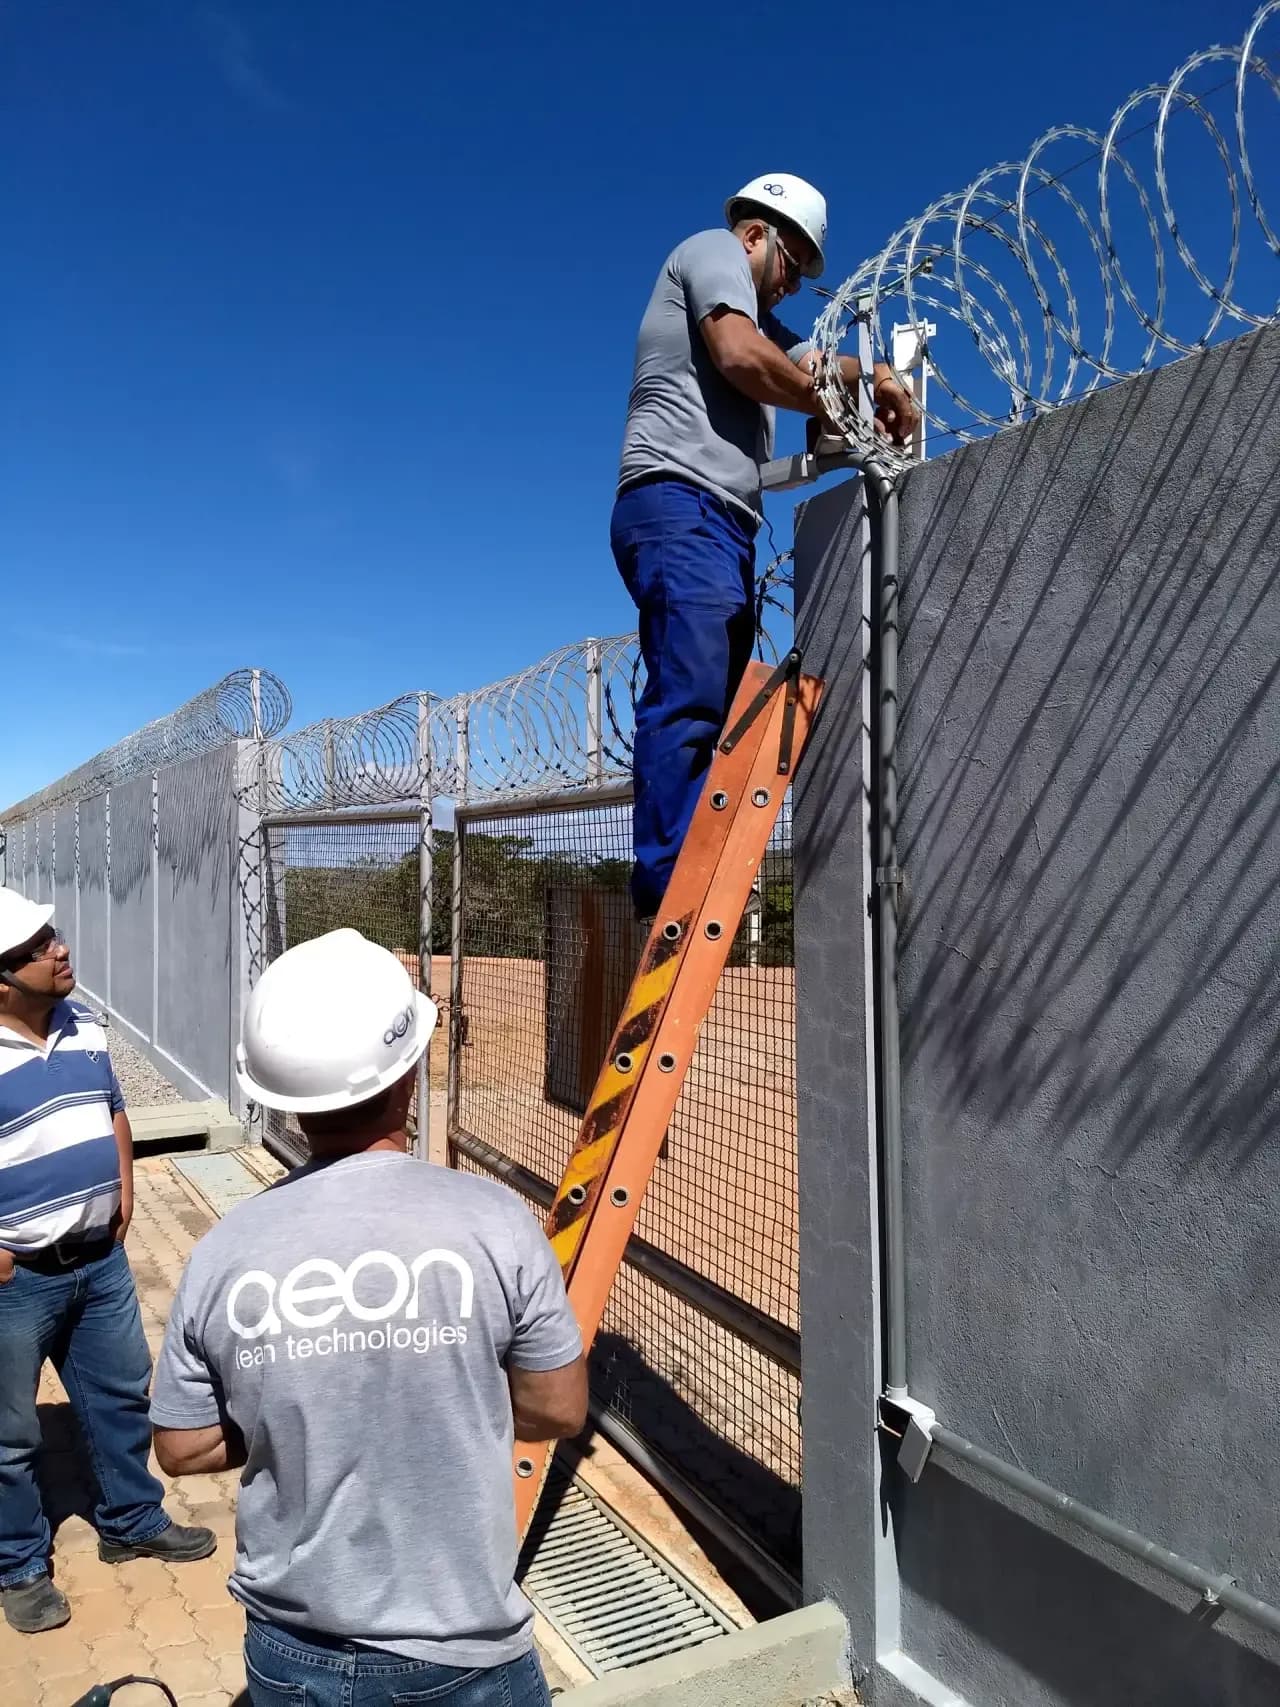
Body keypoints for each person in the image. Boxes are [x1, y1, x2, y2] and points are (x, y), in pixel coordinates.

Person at [149, 927, 588, 1707]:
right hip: (464, 1652)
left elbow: (180, 1449)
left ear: (278, 1094)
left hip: (290, 1652)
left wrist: (303, 1403)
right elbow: (557, 1405)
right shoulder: (495, 1221)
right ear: (408, 1072)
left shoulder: (224, 1251)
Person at [611, 173, 920, 921]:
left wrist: (873, 374)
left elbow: (808, 361)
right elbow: (744, 357)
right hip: (678, 501)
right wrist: (837, 400)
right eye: (790, 266)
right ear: (757, 236)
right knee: (690, 692)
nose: (787, 287)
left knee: (715, 699)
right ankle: (669, 884)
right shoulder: (714, 250)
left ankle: (693, 862)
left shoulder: (754, 300)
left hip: (720, 522)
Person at [0, 885, 215, 1636]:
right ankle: (21, 1563)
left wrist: (124, 1190)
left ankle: (131, 1521)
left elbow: (114, 1106)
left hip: (99, 1263)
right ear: (2, 977)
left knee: (123, 1397)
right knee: (10, 1431)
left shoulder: (83, 1022)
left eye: (53, 934)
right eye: (38, 946)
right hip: (15, 1279)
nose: (59, 948)